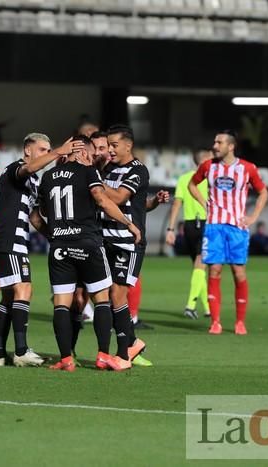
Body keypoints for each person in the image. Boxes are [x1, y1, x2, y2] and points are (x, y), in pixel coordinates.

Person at [35, 134, 142, 372]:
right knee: (101, 299)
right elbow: (102, 200)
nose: (93, 157)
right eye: (91, 152)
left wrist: (53, 234)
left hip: (59, 247)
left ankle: (66, 359)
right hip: (88, 244)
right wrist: (128, 223)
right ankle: (103, 355)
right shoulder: (88, 172)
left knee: (62, 305)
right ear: (82, 152)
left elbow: (40, 212)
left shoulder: (48, 176)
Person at [0, 133, 83, 367]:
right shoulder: (16, 169)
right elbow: (28, 170)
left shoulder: (34, 182)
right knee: (24, 289)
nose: (46, 153)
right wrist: (59, 151)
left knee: (10, 295)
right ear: (27, 150)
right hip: (8, 239)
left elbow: (35, 218)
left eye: (48, 149)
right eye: (42, 149)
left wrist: (56, 236)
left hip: (15, 240)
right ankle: (21, 351)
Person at [188, 130, 268, 335]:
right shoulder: (208, 166)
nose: (214, 145)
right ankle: (215, 322)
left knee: (238, 273)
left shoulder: (247, 168)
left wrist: (253, 217)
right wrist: (203, 203)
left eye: (219, 142)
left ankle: (240, 322)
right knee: (214, 270)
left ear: (231, 146)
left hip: (237, 228)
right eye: (215, 141)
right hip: (214, 226)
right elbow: (192, 184)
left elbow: (263, 192)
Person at [100, 124, 168, 366]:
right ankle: (130, 343)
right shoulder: (107, 168)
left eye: (114, 145)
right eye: (108, 145)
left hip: (128, 242)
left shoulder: (138, 170)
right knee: (104, 295)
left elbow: (118, 198)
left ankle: (124, 352)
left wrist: (93, 181)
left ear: (128, 145)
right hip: (105, 238)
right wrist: (154, 202)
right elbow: (140, 206)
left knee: (117, 294)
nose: (110, 150)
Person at [165, 148, 213, 320]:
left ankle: (208, 308)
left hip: (189, 226)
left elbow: (176, 205)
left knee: (199, 267)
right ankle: (190, 305)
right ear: (205, 159)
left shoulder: (184, 179)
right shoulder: (209, 177)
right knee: (201, 264)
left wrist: (170, 229)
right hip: (205, 223)